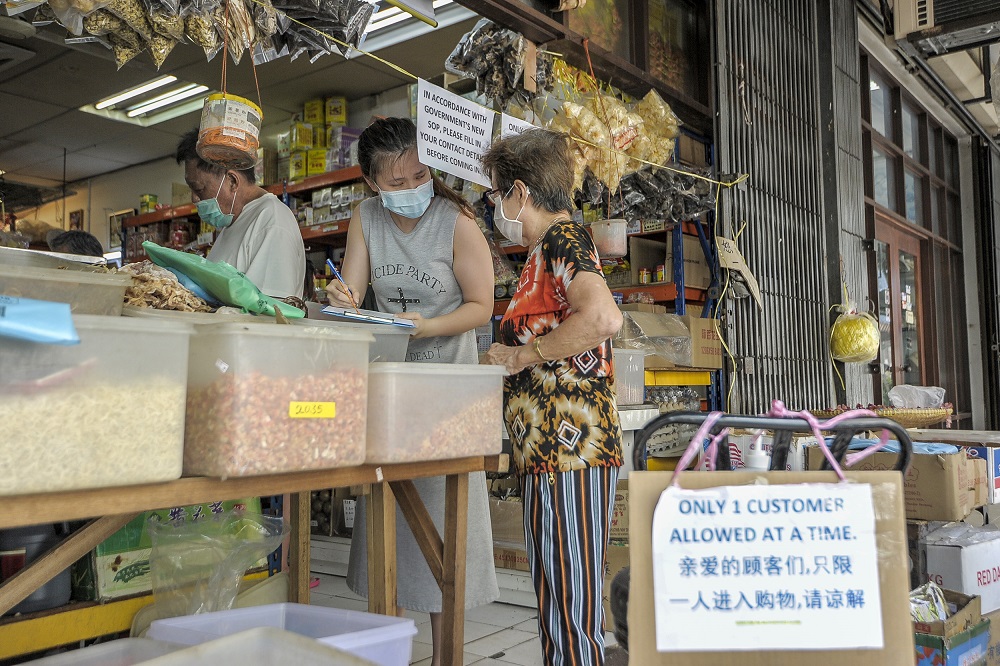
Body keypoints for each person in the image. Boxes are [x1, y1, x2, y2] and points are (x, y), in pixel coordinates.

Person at [326, 117, 498, 666]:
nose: (410, 188)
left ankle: (448, 653)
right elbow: (353, 288)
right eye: (396, 182)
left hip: (448, 392)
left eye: (419, 175)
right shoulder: (365, 218)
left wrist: (425, 324)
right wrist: (343, 297)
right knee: (389, 523)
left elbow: (481, 307)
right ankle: (390, 651)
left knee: (446, 527)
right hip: (393, 388)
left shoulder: (457, 221)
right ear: (373, 183)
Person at [481, 129, 624, 666]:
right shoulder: (544, 252)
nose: (496, 206)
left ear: (520, 192)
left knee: (570, 606)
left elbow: (603, 318)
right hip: (548, 455)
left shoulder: (564, 241)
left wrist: (520, 356)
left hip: (571, 453)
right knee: (559, 601)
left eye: (497, 195)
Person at [176, 128, 305, 298]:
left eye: (199, 189)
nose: (194, 198)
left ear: (232, 181)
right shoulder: (233, 223)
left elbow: (271, 311)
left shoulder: (271, 221)